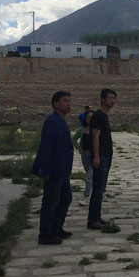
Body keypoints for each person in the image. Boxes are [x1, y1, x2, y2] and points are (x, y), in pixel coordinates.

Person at [31, 91, 75, 245]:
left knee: (65, 199)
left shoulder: (61, 121)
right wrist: (44, 170)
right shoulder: (51, 121)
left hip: (63, 170)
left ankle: (57, 228)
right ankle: (45, 234)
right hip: (54, 170)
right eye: (65, 101)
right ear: (56, 104)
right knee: (51, 202)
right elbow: (46, 147)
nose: (68, 104)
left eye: (69, 101)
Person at [88, 88, 116, 230]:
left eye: (113, 98)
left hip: (106, 155)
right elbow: (95, 136)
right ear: (103, 99)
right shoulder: (98, 116)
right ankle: (92, 220)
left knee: (101, 188)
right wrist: (97, 156)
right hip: (101, 156)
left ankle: (97, 216)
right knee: (98, 188)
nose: (112, 100)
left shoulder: (104, 115)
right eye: (110, 98)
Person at [73, 105, 95, 206]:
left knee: (89, 178)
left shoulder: (97, 130)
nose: (90, 119)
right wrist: (78, 147)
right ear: (85, 118)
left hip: (95, 155)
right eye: (88, 117)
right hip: (85, 155)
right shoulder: (82, 130)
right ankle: (100, 192)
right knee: (91, 176)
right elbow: (73, 139)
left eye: (92, 117)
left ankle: (86, 197)